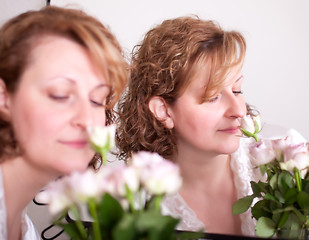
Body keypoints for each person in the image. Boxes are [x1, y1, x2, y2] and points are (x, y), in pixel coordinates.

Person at [116, 15, 256, 236]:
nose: (239, 111)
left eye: (237, 90)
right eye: (212, 97)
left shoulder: (288, 161)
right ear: (164, 110)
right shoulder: (131, 205)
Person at [0, 6, 128, 239]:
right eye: (60, 95)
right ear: (4, 97)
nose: (87, 120)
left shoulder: (23, 227)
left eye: (97, 100)